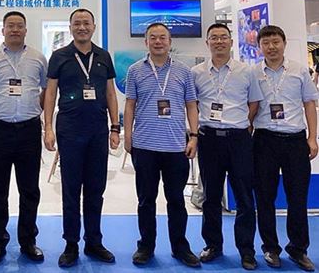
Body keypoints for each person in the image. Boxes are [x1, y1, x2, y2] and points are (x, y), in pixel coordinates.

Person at [44, 8, 120, 268]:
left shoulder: (103, 56)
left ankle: (94, 241)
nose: (82, 27)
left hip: (98, 130)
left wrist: (115, 127)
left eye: (86, 23)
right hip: (69, 130)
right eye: (77, 23)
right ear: (70, 28)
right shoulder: (59, 56)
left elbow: (110, 93)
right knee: (71, 189)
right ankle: (71, 244)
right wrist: (48, 128)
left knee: (96, 189)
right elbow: (50, 94)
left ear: (94, 27)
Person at [0, 11, 48, 265]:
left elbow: (47, 90)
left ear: (26, 30)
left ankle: (28, 242)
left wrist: (35, 111)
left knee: (30, 190)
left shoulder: (38, 58)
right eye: (10, 26)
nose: (15, 29)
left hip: (28, 131)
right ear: (3, 30)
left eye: (19, 26)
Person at [123, 22, 200, 268]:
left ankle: (180, 247)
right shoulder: (135, 70)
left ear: (170, 41)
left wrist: (194, 136)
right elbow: (130, 105)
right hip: (144, 146)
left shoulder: (184, 71)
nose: (158, 41)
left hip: (176, 146)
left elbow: (191, 105)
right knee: (146, 200)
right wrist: (127, 135)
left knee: (176, 200)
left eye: (162, 37)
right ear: (146, 42)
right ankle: (146, 246)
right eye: (153, 37)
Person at [192, 23, 262, 270]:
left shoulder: (246, 71)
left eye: (223, 37)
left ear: (231, 42)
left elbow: (254, 103)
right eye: (214, 38)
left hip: (239, 139)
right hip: (209, 139)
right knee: (210, 196)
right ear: (207, 43)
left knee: (244, 197)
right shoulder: (197, 72)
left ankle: (247, 251)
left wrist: (243, 124)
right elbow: (193, 104)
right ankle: (213, 245)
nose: (219, 41)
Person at [252, 25, 318, 272]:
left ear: (284, 43)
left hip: (295, 140)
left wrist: (312, 138)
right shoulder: (253, 73)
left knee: (297, 197)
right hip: (264, 140)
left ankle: (298, 249)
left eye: (275, 42)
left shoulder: (299, 71)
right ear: (259, 47)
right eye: (266, 43)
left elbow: (309, 104)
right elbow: (251, 106)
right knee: (265, 197)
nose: (271, 47)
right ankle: (270, 248)